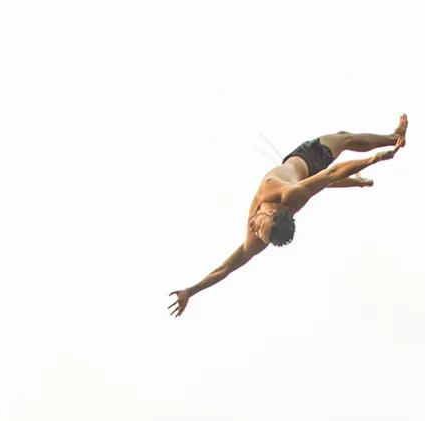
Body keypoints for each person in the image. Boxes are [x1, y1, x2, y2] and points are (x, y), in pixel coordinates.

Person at [168, 116, 408, 317]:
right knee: (344, 139)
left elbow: (224, 269)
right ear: (273, 213)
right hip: (310, 159)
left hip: (300, 172)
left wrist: (191, 290)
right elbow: (332, 173)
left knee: (333, 157)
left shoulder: (261, 232)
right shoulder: (288, 195)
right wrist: (374, 158)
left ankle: (379, 156)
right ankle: (384, 148)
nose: (253, 227)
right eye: (259, 227)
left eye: (256, 229)